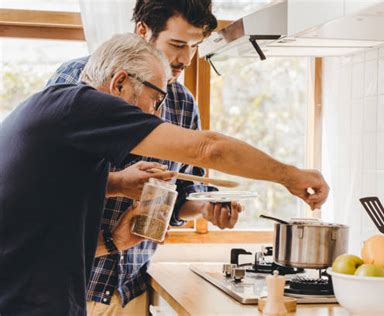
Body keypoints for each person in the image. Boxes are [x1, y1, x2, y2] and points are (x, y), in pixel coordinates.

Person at [0, 33, 328, 316]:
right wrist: (291, 175)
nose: (157, 114)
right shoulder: (81, 104)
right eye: (156, 99)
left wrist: (115, 207)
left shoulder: (60, 119)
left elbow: (44, 234)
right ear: (119, 82)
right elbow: (208, 149)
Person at [46, 1, 242, 313]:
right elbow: (50, 181)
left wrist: (205, 207)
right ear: (142, 31)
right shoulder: (80, 80)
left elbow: (183, 193)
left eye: (195, 46)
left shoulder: (183, 104)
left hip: (129, 287)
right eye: (177, 44)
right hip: (71, 283)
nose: (186, 59)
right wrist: (121, 182)